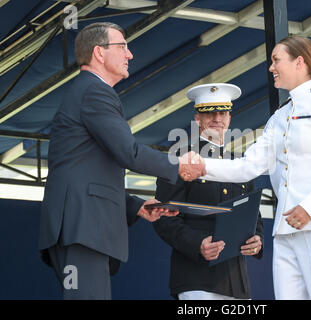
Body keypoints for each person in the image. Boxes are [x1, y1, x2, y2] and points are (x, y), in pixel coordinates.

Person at [38, 22, 204, 300]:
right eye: (123, 46)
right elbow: (128, 152)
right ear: (99, 53)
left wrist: (136, 206)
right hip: (81, 227)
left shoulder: (89, 91)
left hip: (82, 226)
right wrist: (178, 167)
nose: (130, 55)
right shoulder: (94, 91)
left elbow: (90, 168)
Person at [199, 36, 311, 299]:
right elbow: (247, 166)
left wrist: (310, 208)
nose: (271, 67)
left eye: (276, 60)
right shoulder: (279, 116)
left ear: (299, 62)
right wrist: (200, 166)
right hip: (286, 232)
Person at [153, 83, 264, 300]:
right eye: (210, 113)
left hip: (236, 281)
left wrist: (257, 240)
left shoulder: (240, 164)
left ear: (229, 118)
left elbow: (254, 216)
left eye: (223, 112)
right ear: (197, 119)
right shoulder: (180, 159)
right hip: (196, 277)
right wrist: (197, 244)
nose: (217, 118)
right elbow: (164, 218)